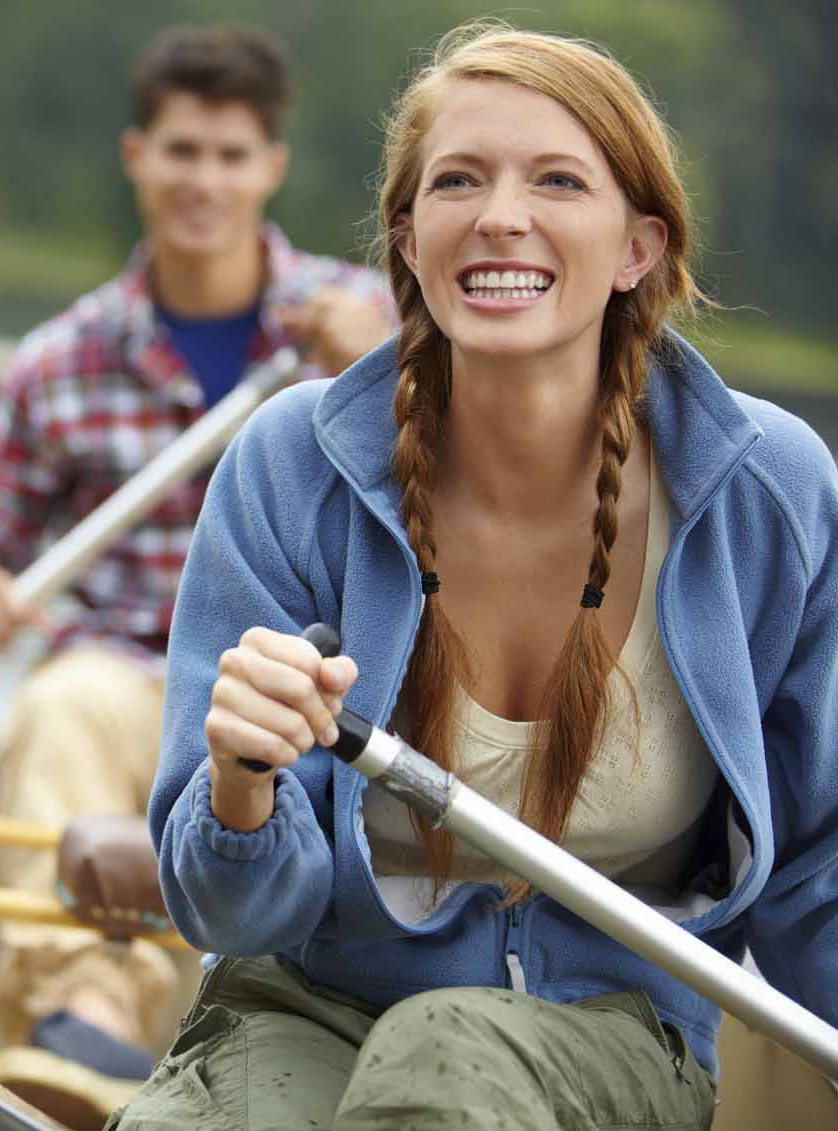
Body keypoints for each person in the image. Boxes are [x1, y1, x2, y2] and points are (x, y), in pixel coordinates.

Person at [112, 20, 838, 1131]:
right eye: (458, 181)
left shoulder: (766, 493)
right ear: (407, 239)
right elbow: (233, 915)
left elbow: (815, 880)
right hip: (305, 1006)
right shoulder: (289, 462)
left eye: (555, 179)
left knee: (443, 1049)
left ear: (637, 247)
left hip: (615, 1039)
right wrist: (239, 786)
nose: (500, 214)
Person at [0, 23, 396, 1127]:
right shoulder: (61, 359)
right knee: (61, 704)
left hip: (307, 697)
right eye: (182, 152)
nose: (204, 182)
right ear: (137, 156)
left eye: (231, 156)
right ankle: (82, 1015)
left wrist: (377, 368)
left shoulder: (380, 326)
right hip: (127, 675)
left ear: (270, 168)